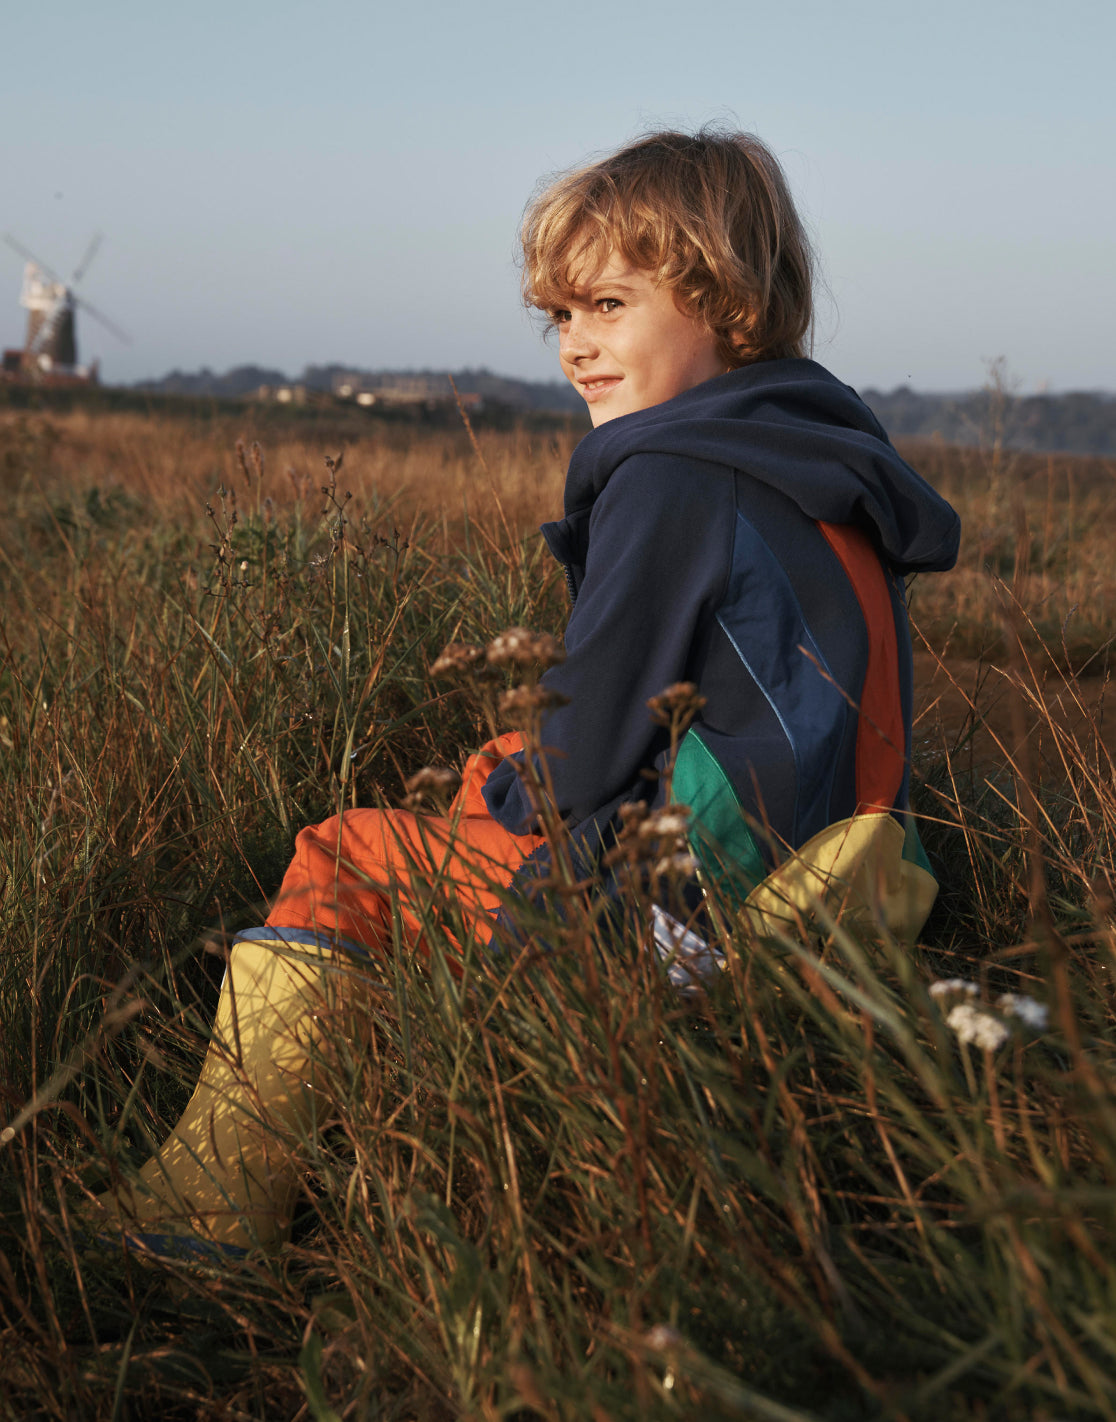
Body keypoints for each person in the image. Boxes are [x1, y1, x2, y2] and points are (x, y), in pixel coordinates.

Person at [90, 128, 960, 1254]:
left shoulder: (672, 473)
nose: (573, 348)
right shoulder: (816, 456)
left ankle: (210, 1216)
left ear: (729, 303)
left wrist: (515, 783)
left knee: (346, 852)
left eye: (606, 306)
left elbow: (578, 761)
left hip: (687, 903)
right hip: (831, 858)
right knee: (490, 788)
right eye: (559, 317)